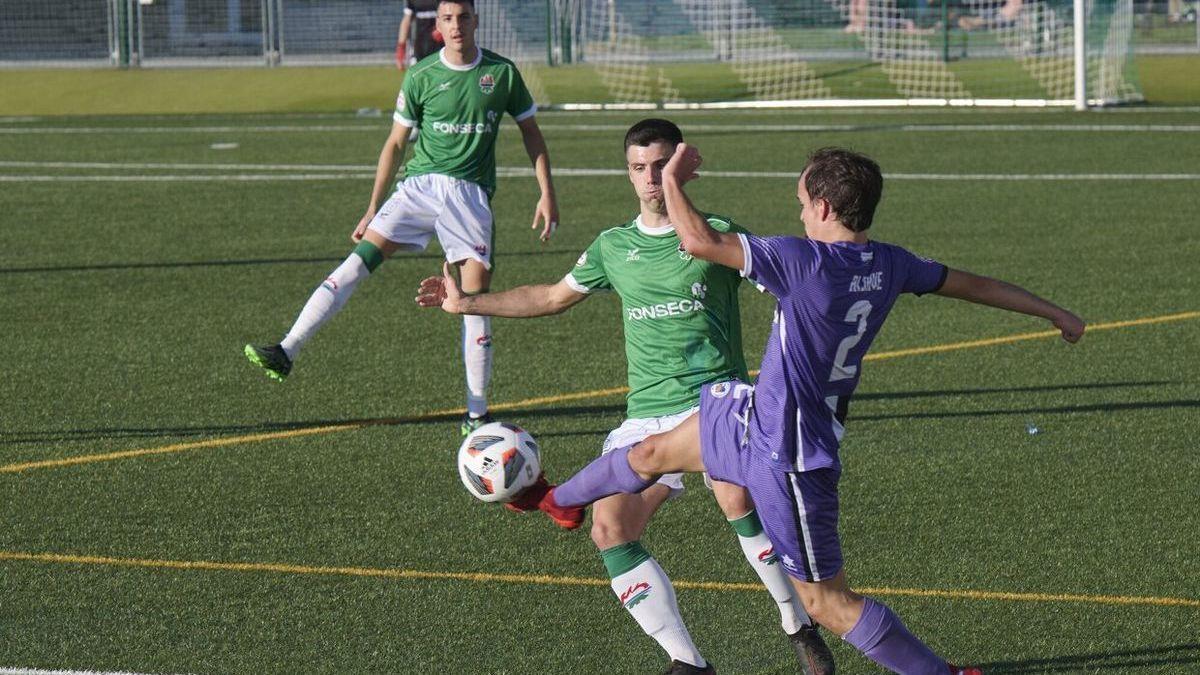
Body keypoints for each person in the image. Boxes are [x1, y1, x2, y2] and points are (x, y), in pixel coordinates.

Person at [531, 145, 1085, 675]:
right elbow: (972, 283)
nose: (797, 213)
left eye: (800, 202)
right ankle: (558, 501)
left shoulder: (804, 261)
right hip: (753, 416)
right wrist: (1052, 311)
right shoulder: (890, 263)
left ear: (822, 207)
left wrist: (672, 180)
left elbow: (699, 242)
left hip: (789, 456)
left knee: (827, 602)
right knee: (651, 451)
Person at [416, 119, 835, 675]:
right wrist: (465, 303)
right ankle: (688, 663)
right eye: (639, 168)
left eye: (661, 166)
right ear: (629, 173)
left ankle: (798, 625)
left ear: (681, 164)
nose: (651, 179)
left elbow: (788, 288)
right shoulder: (614, 247)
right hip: (646, 417)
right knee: (609, 529)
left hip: (717, 402)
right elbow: (550, 296)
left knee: (734, 496)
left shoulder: (712, 234)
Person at [244, 0, 559, 437]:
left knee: (473, 301)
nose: (455, 26)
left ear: (476, 20)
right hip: (419, 187)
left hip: (468, 197)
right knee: (356, 263)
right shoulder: (422, 75)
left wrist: (547, 193)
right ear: (438, 25)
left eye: (463, 17)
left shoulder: (502, 74)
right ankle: (287, 349)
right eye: (447, 19)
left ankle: (477, 414)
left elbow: (532, 134)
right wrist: (373, 205)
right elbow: (395, 144)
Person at [397, 0, 442, 71]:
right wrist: (401, 50)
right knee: (417, 77)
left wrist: (442, 31)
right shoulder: (413, 1)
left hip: (441, 48)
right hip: (420, 48)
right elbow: (406, 21)